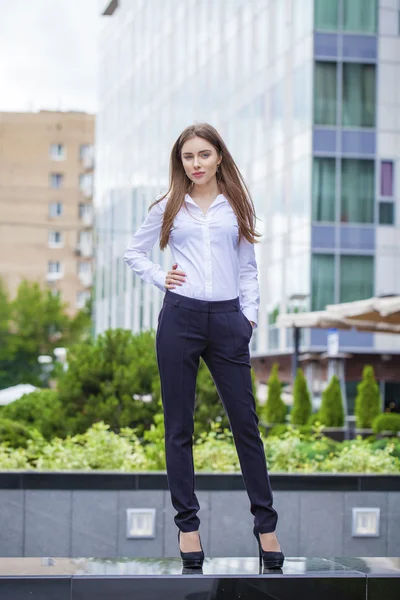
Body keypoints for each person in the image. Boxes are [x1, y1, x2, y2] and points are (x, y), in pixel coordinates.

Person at [124, 123, 283, 570]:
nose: (196, 164)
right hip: (179, 318)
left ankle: (266, 527)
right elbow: (133, 253)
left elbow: (248, 266)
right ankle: (187, 527)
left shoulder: (238, 206)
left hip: (229, 320)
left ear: (219, 157)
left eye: (203, 155)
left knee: (245, 425)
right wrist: (161, 277)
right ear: (181, 162)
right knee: (179, 427)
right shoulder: (167, 206)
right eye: (188, 157)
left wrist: (247, 318)